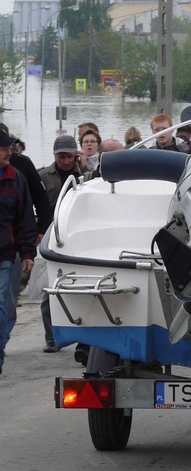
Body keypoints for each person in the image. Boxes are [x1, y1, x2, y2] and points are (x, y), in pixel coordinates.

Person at [38, 135, 88, 358]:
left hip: (80, 239)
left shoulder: (88, 176)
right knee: (49, 290)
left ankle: (84, 341)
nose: (66, 161)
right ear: (54, 155)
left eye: (69, 156)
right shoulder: (41, 176)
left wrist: (87, 168)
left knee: (83, 290)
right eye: (61, 156)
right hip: (51, 239)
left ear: (76, 154)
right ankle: (52, 338)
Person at [0, 130, 38, 374]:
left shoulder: (16, 178)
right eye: (4, 149)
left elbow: (25, 220)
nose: (9, 153)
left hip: (5, 255)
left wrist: (27, 253)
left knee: (1, 304)